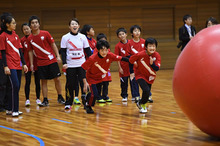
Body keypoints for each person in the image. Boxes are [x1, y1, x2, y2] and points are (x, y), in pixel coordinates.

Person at [81, 40, 129, 113]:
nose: (104, 52)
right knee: (95, 94)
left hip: (100, 78)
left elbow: (122, 58)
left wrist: (132, 61)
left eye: (106, 50)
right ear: (98, 50)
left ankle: (86, 99)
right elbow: (82, 68)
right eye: (102, 50)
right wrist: (85, 82)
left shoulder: (110, 55)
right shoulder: (92, 58)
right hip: (91, 78)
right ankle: (88, 106)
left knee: (94, 94)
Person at [27, 15, 65, 106]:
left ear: (39, 24)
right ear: (30, 26)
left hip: (51, 61)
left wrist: (58, 56)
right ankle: (45, 99)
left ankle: (60, 96)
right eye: (33, 23)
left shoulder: (46, 33)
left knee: (57, 79)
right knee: (43, 81)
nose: (35, 24)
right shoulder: (29, 38)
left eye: (36, 22)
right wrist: (31, 64)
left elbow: (53, 45)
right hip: (41, 63)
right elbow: (30, 52)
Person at [60, 18, 92, 110]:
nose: (74, 25)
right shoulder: (65, 37)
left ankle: (85, 101)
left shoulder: (83, 37)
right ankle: (68, 102)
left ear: (78, 26)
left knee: (84, 83)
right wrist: (64, 63)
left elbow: (88, 51)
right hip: (70, 65)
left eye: (76, 24)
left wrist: (90, 63)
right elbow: (63, 51)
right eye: (72, 24)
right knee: (70, 84)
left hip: (81, 64)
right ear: (69, 27)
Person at [0, 16, 28, 116]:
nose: (15, 24)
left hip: (17, 63)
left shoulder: (16, 36)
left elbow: (20, 51)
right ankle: (14, 110)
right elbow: (3, 53)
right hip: (10, 63)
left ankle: (10, 109)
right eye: (13, 23)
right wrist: (5, 66)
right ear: (7, 24)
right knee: (14, 85)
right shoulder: (3, 36)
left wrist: (24, 63)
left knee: (16, 87)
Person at [129, 37, 161, 113]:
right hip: (140, 75)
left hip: (150, 76)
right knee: (146, 90)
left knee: (147, 93)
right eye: (150, 46)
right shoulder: (140, 54)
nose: (152, 48)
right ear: (146, 47)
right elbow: (130, 60)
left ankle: (140, 102)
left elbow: (156, 68)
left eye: (153, 46)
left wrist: (152, 64)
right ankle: (142, 104)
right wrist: (132, 72)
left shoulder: (157, 55)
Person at [20, 23, 41, 106]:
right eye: (24, 29)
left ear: (31, 28)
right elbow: (21, 54)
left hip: (37, 63)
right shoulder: (22, 40)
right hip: (27, 64)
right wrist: (22, 64)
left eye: (27, 28)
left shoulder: (34, 38)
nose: (26, 30)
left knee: (37, 81)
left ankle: (38, 98)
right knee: (27, 81)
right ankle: (27, 99)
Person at [114, 27, 133, 102]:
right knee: (124, 83)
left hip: (131, 67)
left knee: (133, 82)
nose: (122, 36)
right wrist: (120, 68)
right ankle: (124, 96)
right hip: (123, 67)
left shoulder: (131, 43)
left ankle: (134, 95)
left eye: (123, 34)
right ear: (118, 36)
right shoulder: (117, 46)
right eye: (120, 34)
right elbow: (117, 58)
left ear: (126, 34)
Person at [93, 33, 112, 103]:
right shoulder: (96, 50)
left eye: (104, 40)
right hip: (99, 70)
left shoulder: (108, 50)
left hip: (106, 69)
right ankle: (98, 96)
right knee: (99, 83)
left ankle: (105, 95)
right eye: (101, 40)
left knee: (106, 83)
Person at [0, 12, 12, 112]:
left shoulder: (12, 33)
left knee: (9, 83)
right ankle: (1, 104)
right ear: (4, 21)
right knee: (2, 83)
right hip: (1, 60)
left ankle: (7, 104)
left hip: (10, 60)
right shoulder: (1, 33)